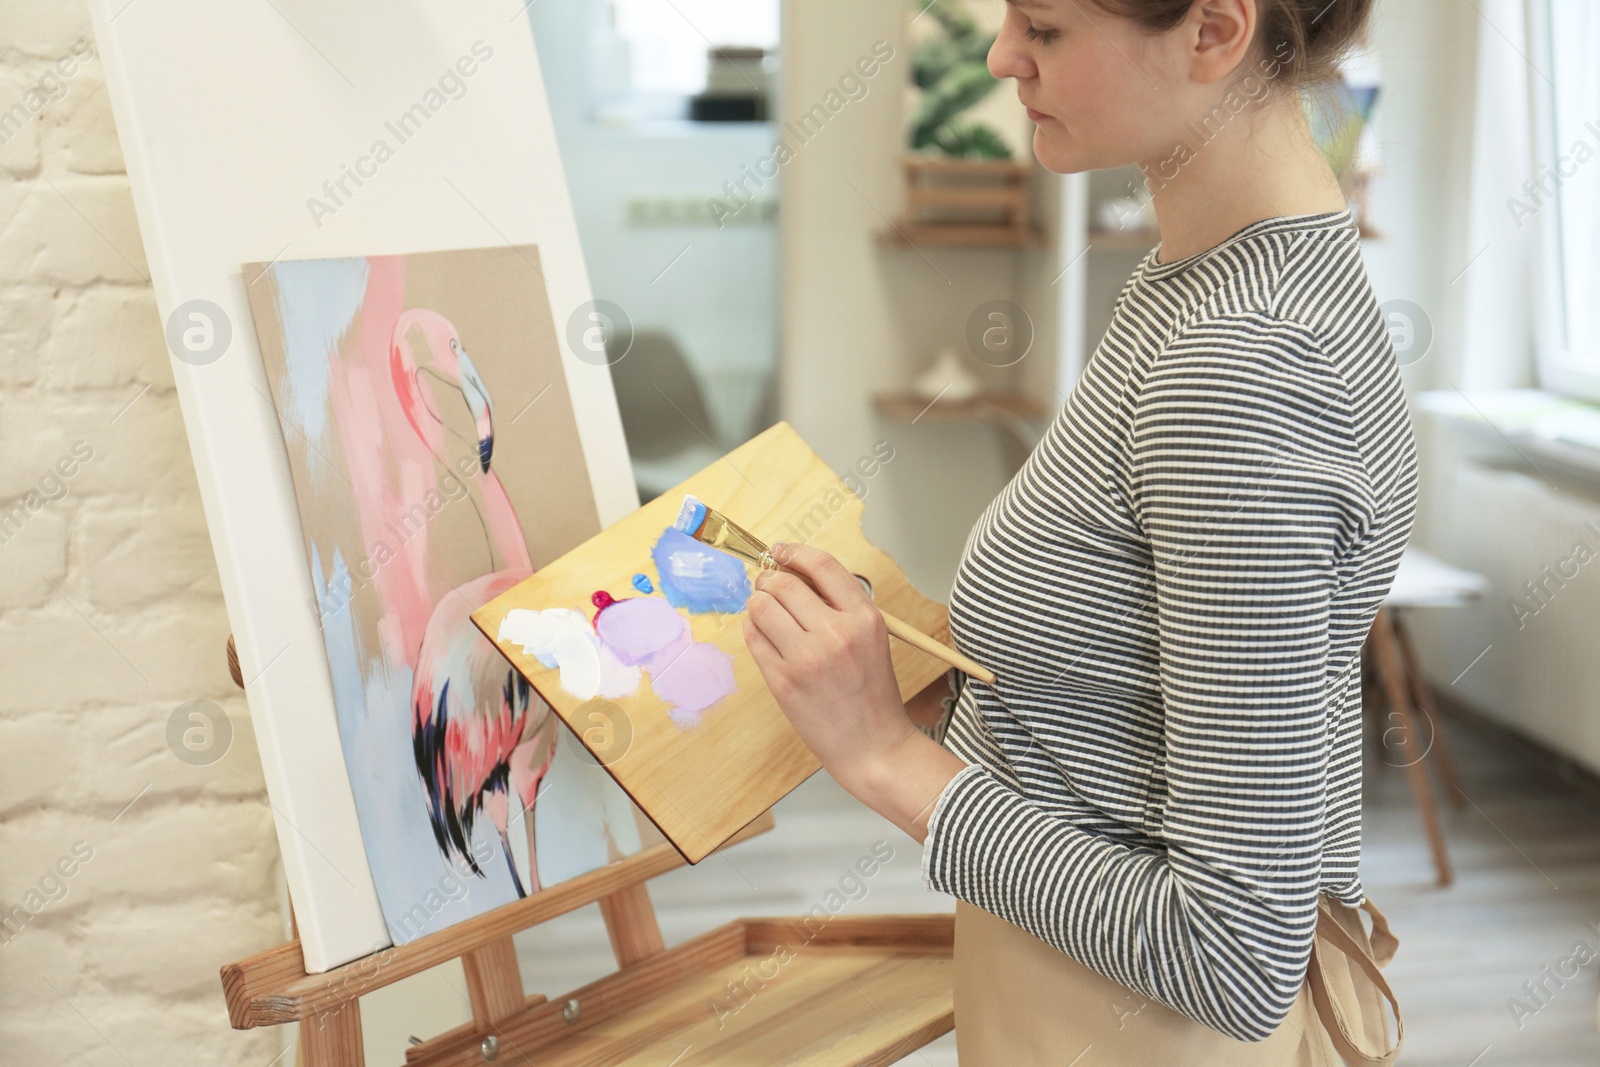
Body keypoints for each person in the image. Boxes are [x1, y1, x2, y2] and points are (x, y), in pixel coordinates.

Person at [743, 0, 1414, 1062]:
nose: (1004, 54)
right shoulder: (1202, 279)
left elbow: (1232, 951)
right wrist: (937, 686)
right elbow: (1143, 691)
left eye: (1043, 27)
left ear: (1212, 31)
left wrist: (881, 754)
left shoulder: (1241, 365)